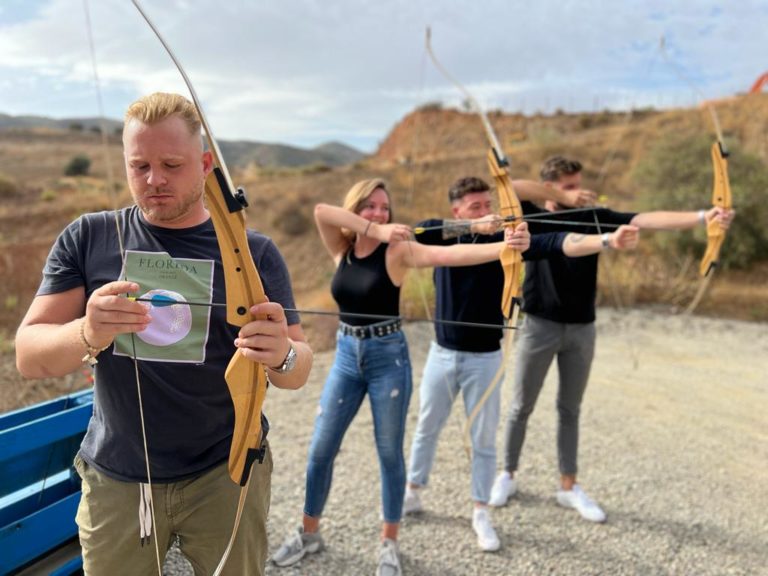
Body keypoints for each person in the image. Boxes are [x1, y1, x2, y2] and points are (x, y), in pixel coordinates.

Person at [15, 92, 312, 575]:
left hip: (226, 470)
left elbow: (297, 368)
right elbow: (29, 356)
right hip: (118, 477)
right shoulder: (88, 236)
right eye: (140, 166)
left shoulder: (251, 251)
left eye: (172, 164)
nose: (154, 180)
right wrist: (88, 332)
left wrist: (282, 356)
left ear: (205, 163)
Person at [270, 178, 529, 576]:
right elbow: (323, 212)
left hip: (386, 356)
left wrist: (505, 247)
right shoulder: (343, 250)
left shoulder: (399, 250)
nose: (378, 213)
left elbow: (450, 257)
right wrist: (374, 229)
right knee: (320, 450)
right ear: (356, 210)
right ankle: (309, 533)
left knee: (389, 453)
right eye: (369, 206)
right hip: (344, 355)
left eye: (384, 208)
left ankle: (389, 543)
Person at [489, 155, 736, 523]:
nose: (580, 192)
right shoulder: (532, 213)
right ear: (553, 187)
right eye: (570, 185)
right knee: (520, 406)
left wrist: (704, 217)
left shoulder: (595, 215)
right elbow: (511, 185)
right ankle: (507, 474)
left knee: (569, 409)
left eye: (579, 184)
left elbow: (646, 219)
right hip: (539, 324)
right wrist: (564, 198)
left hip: (582, 327)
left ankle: (568, 486)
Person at [403, 176, 640, 551]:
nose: (486, 212)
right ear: (457, 211)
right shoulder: (441, 232)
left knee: (483, 438)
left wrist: (607, 240)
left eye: (488, 205)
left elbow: (559, 243)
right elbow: (416, 230)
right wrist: (474, 227)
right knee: (427, 427)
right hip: (443, 352)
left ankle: (480, 510)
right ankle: (413, 490)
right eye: (476, 206)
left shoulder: (512, 239)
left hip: (486, 357)